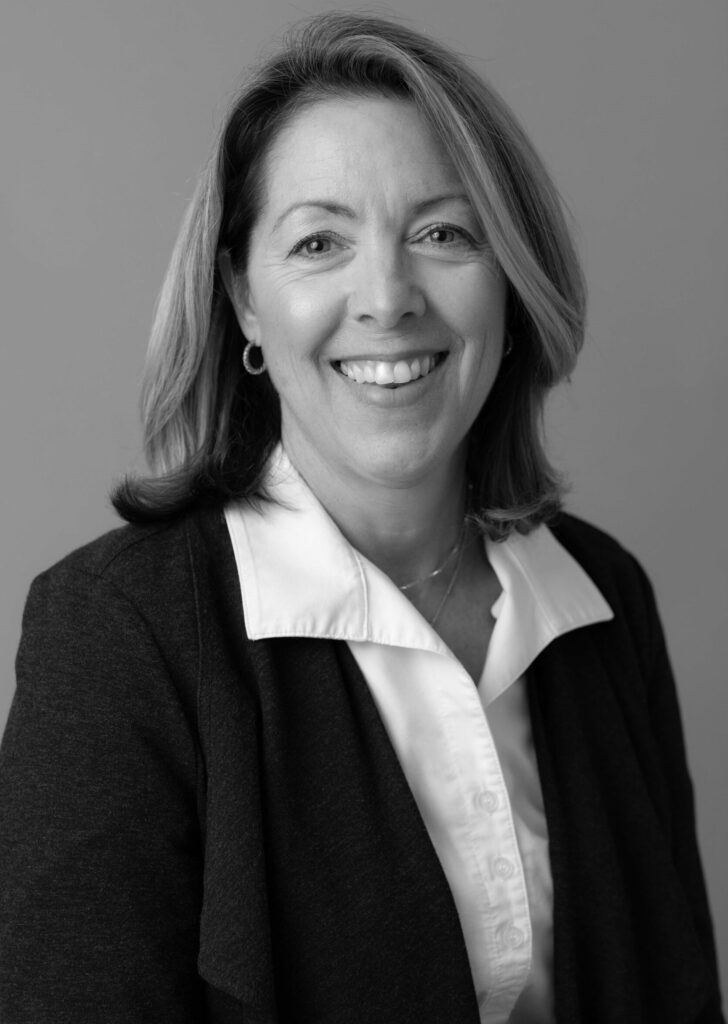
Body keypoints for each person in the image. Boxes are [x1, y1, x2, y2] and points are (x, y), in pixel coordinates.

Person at [0, 11, 723, 1024]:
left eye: (441, 232)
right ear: (244, 301)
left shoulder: (602, 600)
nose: (385, 297)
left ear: (508, 280)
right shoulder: (119, 635)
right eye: (318, 241)